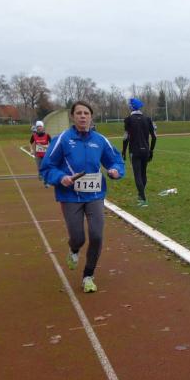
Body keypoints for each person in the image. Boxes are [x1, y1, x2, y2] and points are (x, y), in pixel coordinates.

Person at [39, 100, 125, 293]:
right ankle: (74, 249)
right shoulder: (62, 139)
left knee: (96, 236)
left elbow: (116, 161)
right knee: (78, 237)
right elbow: (47, 167)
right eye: (79, 113)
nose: (83, 116)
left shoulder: (100, 140)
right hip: (70, 196)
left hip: (95, 195)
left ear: (91, 116)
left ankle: (88, 275)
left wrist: (115, 171)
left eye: (86, 113)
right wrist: (61, 178)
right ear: (73, 117)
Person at [122, 98, 157, 206]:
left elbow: (126, 137)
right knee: (143, 173)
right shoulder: (147, 119)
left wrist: (123, 151)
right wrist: (151, 150)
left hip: (134, 150)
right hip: (145, 150)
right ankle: (141, 196)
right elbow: (154, 137)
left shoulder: (128, 120)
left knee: (137, 174)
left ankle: (143, 199)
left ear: (131, 107)